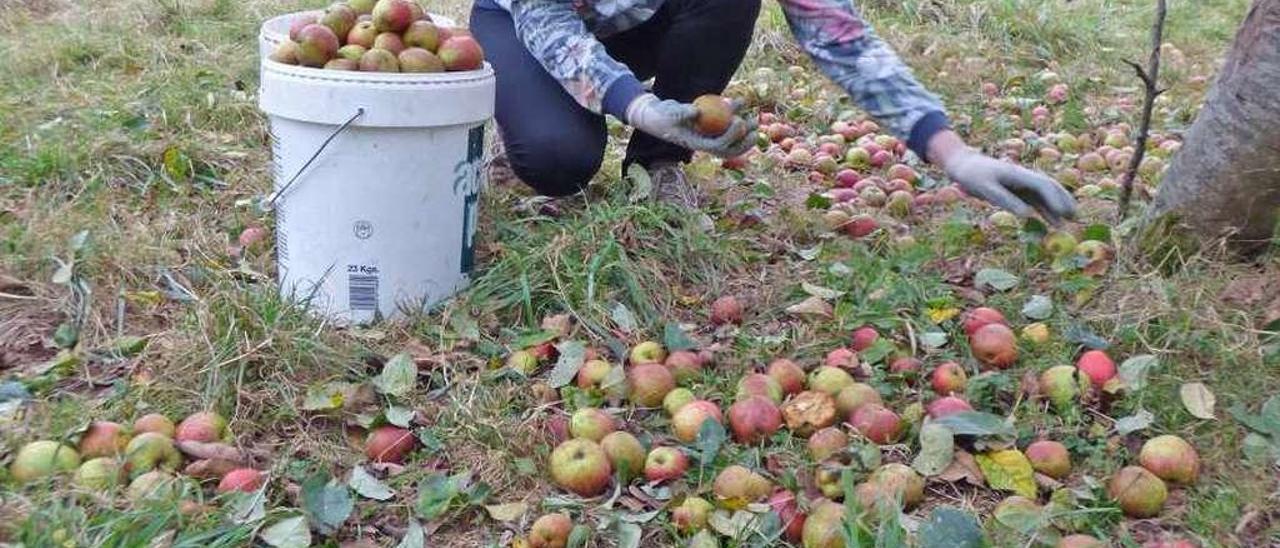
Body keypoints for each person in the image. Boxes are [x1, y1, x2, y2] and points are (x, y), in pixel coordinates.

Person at [470, 0, 1076, 223]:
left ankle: (658, 166)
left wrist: (953, 152)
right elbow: (546, 22)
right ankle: (515, 110)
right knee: (558, 161)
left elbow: (839, 36)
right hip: (524, 23)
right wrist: (640, 105)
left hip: (639, 23)